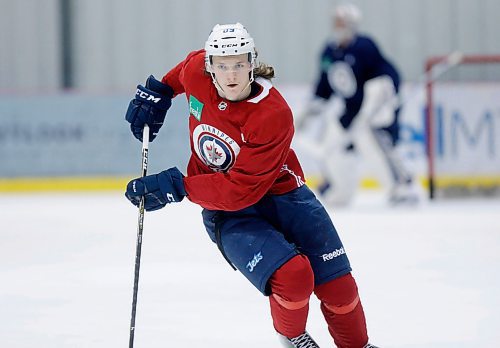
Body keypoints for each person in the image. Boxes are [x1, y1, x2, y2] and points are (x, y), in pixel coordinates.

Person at [124, 22, 378, 348]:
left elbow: (241, 188)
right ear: (209, 67)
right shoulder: (196, 71)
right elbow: (177, 76)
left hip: (284, 196)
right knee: (294, 276)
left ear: (252, 63)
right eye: (222, 66)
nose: (231, 75)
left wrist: (179, 186)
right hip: (228, 215)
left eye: (240, 64)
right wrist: (160, 92)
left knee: (340, 289)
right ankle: (292, 335)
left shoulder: (273, 114)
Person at [296, 3, 418, 206]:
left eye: (343, 22)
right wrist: (309, 111)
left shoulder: (364, 46)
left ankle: (401, 186)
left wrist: (386, 97)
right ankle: (339, 188)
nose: (339, 26)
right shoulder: (329, 52)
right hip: (349, 110)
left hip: (370, 112)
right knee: (330, 145)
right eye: (336, 22)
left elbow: (385, 76)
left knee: (371, 141)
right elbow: (323, 88)